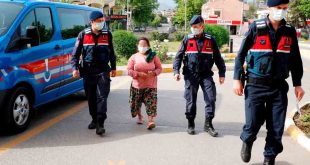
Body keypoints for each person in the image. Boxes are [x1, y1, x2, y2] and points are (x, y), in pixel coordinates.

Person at [233, 0, 305, 164]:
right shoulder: (255, 28)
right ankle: (248, 140)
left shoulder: (289, 31)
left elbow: (295, 60)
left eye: (285, 8)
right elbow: (240, 55)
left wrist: (297, 83)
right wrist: (237, 79)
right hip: (255, 85)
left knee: (276, 127)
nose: (281, 11)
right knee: (252, 123)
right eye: (278, 8)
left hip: (278, 87)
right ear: (269, 8)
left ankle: (269, 158)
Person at [173, 15, 226, 136]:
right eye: (192, 27)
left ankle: (208, 124)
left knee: (211, 98)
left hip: (206, 75)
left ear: (202, 26)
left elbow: (218, 58)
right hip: (191, 74)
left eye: (196, 26)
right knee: (190, 100)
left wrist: (222, 73)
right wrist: (176, 71)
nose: (194, 29)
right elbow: (179, 56)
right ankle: (191, 123)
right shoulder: (187, 39)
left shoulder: (210, 39)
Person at [71, 11, 116, 136]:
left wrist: (113, 68)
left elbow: (111, 52)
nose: (102, 23)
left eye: (103, 20)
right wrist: (74, 68)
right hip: (88, 70)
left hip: (103, 70)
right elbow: (75, 54)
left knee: (102, 96)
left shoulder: (107, 34)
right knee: (91, 97)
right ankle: (94, 119)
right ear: (92, 22)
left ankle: (100, 123)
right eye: (99, 21)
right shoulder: (83, 35)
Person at [127, 37, 162, 130]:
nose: (143, 47)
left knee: (151, 103)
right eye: (141, 45)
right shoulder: (133, 57)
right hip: (137, 86)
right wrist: (138, 74)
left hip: (151, 85)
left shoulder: (153, 56)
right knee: (135, 104)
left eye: (145, 45)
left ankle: (150, 121)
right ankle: (140, 116)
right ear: (137, 46)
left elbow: (159, 68)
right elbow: (129, 70)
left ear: (148, 46)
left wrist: (154, 73)